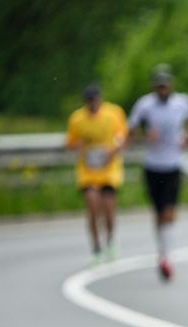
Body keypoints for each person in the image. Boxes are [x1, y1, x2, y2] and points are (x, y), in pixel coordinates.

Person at [128, 64, 188, 282]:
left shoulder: (182, 102)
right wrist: (145, 137)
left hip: (173, 164)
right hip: (152, 164)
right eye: (159, 86)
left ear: (171, 85)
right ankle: (162, 250)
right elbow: (130, 131)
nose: (163, 89)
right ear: (154, 87)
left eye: (165, 85)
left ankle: (168, 257)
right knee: (158, 213)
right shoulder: (145, 105)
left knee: (170, 210)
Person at [66, 83, 127, 266]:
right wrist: (80, 145)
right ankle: (96, 248)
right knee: (93, 206)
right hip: (89, 172)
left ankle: (110, 239)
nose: (93, 105)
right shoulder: (77, 119)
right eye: (89, 102)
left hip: (109, 170)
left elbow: (124, 137)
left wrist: (113, 152)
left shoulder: (113, 114)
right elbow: (70, 142)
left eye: (95, 100)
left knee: (108, 210)